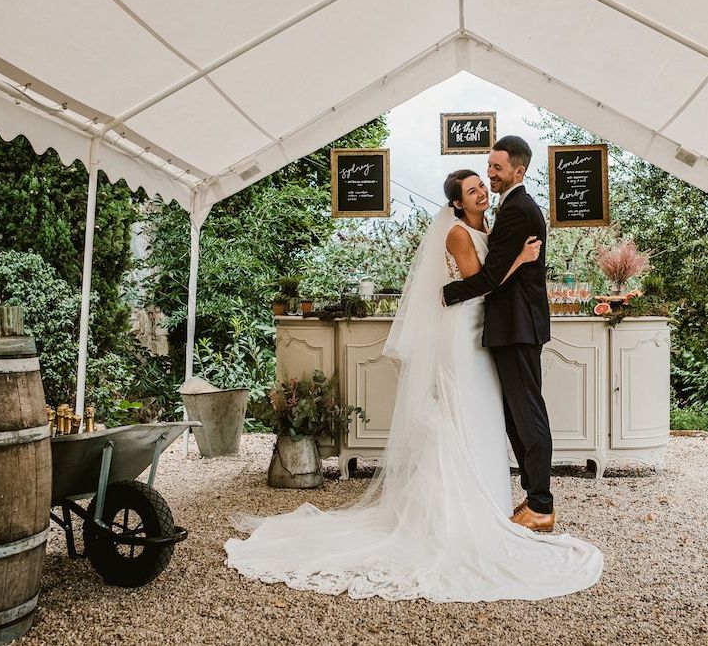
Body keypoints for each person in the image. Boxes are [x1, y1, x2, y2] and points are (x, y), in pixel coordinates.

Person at [224, 165, 603, 602]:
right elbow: (477, 284)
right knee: (466, 412)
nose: (481, 191)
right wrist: (520, 260)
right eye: (473, 189)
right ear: (457, 203)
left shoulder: (491, 224)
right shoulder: (459, 234)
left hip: (483, 333)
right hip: (463, 335)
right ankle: (454, 513)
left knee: (483, 415)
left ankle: (489, 503)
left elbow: (486, 276)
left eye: (483, 184)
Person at [443, 135, 554, 532]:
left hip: (517, 325)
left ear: (518, 171)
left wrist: (446, 293)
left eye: (496, 169)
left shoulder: (516, 210)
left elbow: (490, 277)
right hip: (511, 326)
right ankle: (533, 496)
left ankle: (541, 504)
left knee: (527, 414)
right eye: (487, 167)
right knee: (515, 415)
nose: (489, 175)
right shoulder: (510, 209)